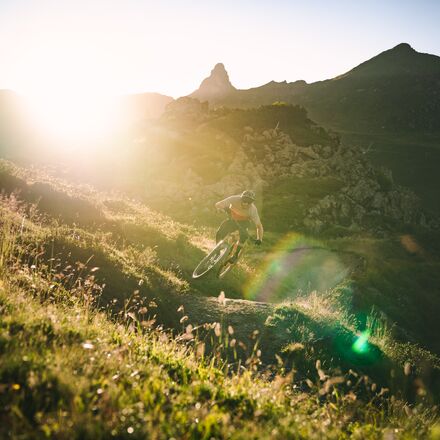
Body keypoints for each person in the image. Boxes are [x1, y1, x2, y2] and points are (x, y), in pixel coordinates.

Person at [214, 190, 264, 263]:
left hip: (244, 222)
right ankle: (217, 251)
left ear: (252, 202)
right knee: (220, 232)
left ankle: (235, 255)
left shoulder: (253, 210)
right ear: (241, 198)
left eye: (249, 202)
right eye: (244, 200)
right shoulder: (234, 199)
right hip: (232, 219)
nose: (246, 203)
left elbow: (259, 226)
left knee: (243, 236)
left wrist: (259, 239)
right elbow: (218, 204)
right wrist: (221, 209)